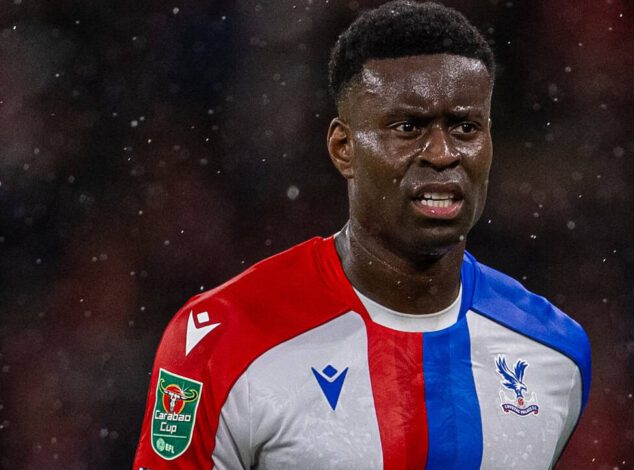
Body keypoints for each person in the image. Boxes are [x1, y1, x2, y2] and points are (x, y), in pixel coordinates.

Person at [133, 1, 591, 468]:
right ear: (343, 148)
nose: (442, 153)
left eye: (465, 127)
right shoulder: (220, 338)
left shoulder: (554, 353)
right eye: (408, 127)